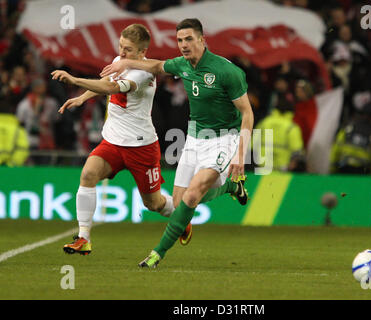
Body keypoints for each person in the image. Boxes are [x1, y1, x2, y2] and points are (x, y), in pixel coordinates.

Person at [100, 18, 254, 269]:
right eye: (180, 40)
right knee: (179, 202)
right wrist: (127, 62)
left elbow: (247, 113)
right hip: (193, 138)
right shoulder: (182, 64)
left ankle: (157, 253)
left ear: (202, 40)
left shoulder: (227, 72)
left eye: (189, 39)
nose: (183, 44)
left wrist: (239, 155)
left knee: (193, 195)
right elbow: (158, 67)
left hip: (223, 138)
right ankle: (229, 188)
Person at [51, 24, 190, 256]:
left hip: (141, 147)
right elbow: (105, 81)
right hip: (113, 142)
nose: (122, 53)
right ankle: (83, 238)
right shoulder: (120, 61)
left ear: (141, 52)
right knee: (87, 174)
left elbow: (111, 86)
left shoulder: (144, 73)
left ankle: (182, 217)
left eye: (128, 49)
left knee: (153, 204)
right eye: (120, 47)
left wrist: (75, 81)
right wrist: (82, 98)